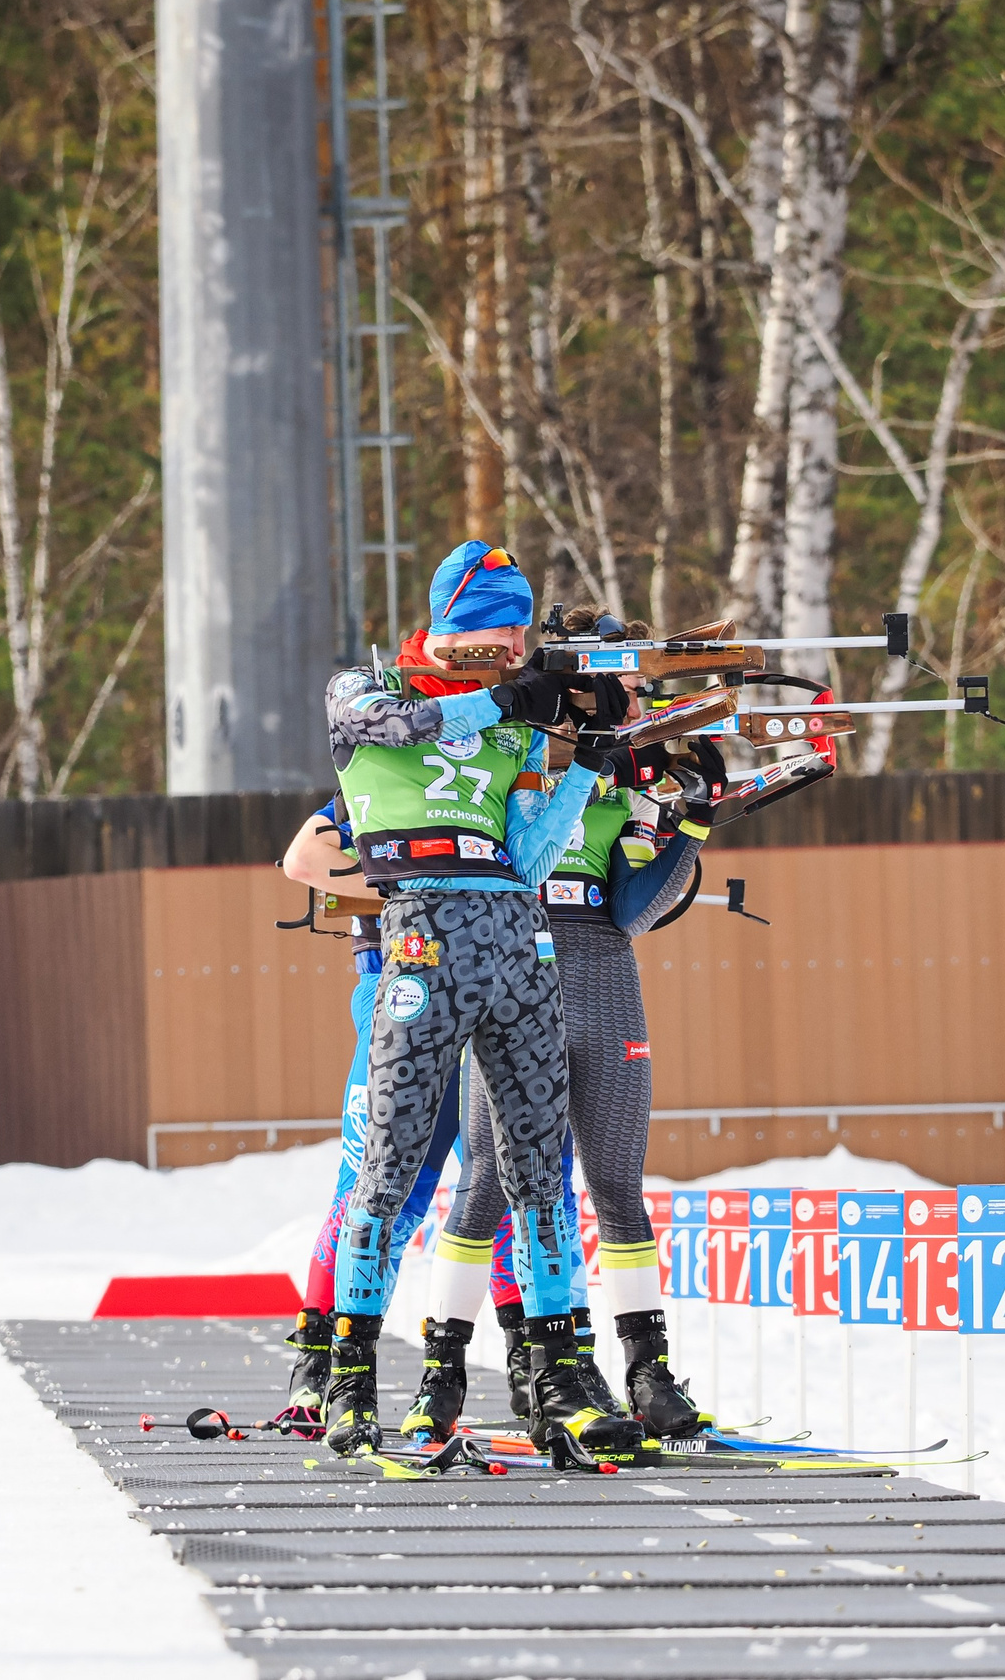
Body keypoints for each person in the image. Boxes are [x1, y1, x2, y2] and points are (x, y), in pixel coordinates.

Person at [320, 541, 643, 1460]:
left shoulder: (511, 729)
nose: (513, 642)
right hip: (423, 941)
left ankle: (559, 1374)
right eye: (501, 625)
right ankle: (349, 1380)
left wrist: (588, 759)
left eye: (518, 630)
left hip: (519, 945)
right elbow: (401, 728)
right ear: (459, 617)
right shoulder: (362, 687)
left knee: (541, 1174)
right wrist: (503, 698)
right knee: (390, 1167)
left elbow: (528, 858)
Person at [405, 616, 727, 1441]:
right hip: (516, 971)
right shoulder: (509, 753)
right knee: (487, 1180)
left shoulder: (622, 783)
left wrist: (690, 822)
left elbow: (635, 908)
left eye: (620, 700)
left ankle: (649, 1371)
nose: (611, 710)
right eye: (597, 695)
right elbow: (509, 855)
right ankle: (441, 1372)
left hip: (605, 978)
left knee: (618, 1183)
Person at [274, 801, 465, 1427]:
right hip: (394, 993)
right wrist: (410, 893)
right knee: (370, 1181)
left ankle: (527, 1365)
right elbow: (303, 859)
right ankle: (320, 1358)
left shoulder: (486, 777)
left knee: (497, 1183)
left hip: (482, 996)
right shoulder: (368, 786)